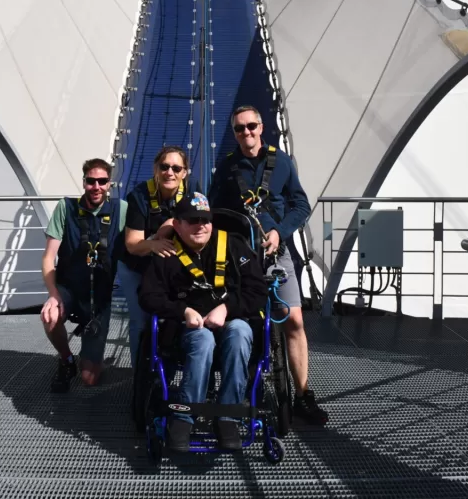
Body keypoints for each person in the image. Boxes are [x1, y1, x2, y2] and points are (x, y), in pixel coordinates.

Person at [208, 105, 329, 425]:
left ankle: (303, 395)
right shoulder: (227, 168)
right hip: (241, 259)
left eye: (250, 126)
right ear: (234, 133)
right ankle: (247, 387)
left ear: (261, 128)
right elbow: (213, 211)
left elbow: (300, 204)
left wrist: (280, 231)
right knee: (245, 322)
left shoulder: (282, 162)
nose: (246, 133)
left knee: (294, 323)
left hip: (277, 254)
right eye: (239, 129)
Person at [139, 192, 267, 452]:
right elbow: (148, 296)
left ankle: (228, 416)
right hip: (188, 331)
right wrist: (182, 310)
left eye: (205, 220)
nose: (201, 225)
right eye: (192, 220)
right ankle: (184, 417)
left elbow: (258, 291)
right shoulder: (166, 254)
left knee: (241, 331)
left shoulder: (234, 245)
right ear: (177, 224)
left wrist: (227, 307)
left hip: (231, 324)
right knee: (203, 339)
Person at [41, 158, 127, 393]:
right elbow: (49, 258)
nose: (96, 186)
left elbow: (138, 242)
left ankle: (90, 358)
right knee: (49, 316)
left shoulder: (121, 210)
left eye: (102, 181)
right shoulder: (66, 208)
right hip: (69, 288)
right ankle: (67, 359)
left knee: (89, 378)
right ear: (84, 182)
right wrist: (53, 294)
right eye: (91, 181)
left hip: (99, 298)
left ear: (109, 184)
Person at [121, 146, 193, 366]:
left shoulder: (192, 194)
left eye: (176, 168)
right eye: (164, 166)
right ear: (155, 169)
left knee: (177, 315)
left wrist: (171, 224)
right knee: (141, 322)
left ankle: (170, 366)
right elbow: (133, 245)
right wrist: (154, 244)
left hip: (169, 267)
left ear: (184, 173)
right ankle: (138, 375)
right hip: (136, 264)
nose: (169, 172)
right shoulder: (140, 196)